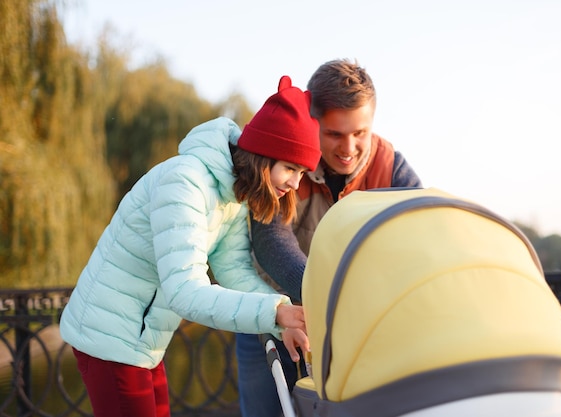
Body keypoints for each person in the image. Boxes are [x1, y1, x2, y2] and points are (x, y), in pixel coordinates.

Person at [59, 75, 321, 417]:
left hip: (142, 339)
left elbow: (233, 270)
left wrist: (282, 316)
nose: (295, 183)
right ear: (262, 155)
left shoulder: (230, 194)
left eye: (302, 172)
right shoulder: (185, 182)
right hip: (110, 336)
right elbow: (185, 290)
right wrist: (275, 313)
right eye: (290, 168)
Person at [235, 59, 423, 417]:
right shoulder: (283, 159)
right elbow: (271, 240)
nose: (349, 148)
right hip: (272, 314)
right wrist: (330, 294)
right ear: (312, 123)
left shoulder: (390, 167)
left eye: (360, 133)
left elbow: (423, 235)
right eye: (334, 134)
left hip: (356, 326)